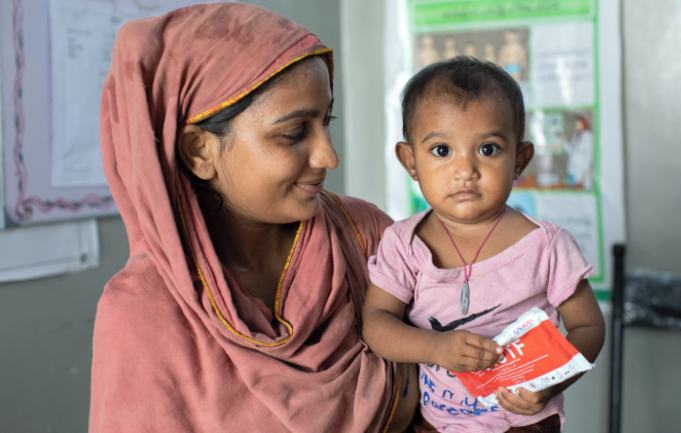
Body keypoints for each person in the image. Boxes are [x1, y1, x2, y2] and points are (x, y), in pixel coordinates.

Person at [90, 4, 418, 432]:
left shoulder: (368, 235)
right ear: (199, 151)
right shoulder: (142, 313)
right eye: (294, 133)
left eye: (326, 121)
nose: (328, 156)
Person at [361, 57, 605, 433]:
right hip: (434, 423)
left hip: (523, 423)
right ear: (410, 161)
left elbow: (588, 325)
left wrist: (552, 382)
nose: (465, 170)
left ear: (519, 160)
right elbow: (376, 325)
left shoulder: (546, 246)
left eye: (488, 149)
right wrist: (436, 349)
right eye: (442, 150)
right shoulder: (403, 244)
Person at [564, 116, 595, 190]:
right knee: (573, 190)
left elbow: (588, 154)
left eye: (578, 124)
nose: (576, 126)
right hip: (572, 169)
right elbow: (571, 151)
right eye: (575, 124)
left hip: (583, 169)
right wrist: (564, 142)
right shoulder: (575, 135)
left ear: (583, 124)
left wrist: (585, 172)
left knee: (585, 187)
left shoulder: (588, 136)